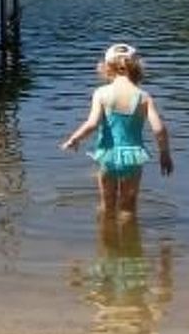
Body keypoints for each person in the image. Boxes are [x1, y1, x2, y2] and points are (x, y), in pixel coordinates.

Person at [62, 42, 173, 218]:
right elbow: (159, 129)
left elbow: (92, 124)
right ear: (137, 67)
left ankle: (107, 241)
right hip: (133, 157)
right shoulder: (143, 97)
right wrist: (164, 154)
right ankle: (129, 241)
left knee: (107, 204)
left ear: (107, 67)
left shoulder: (102, 93)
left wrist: (74, 139)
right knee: (128, 208)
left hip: (108, 155)